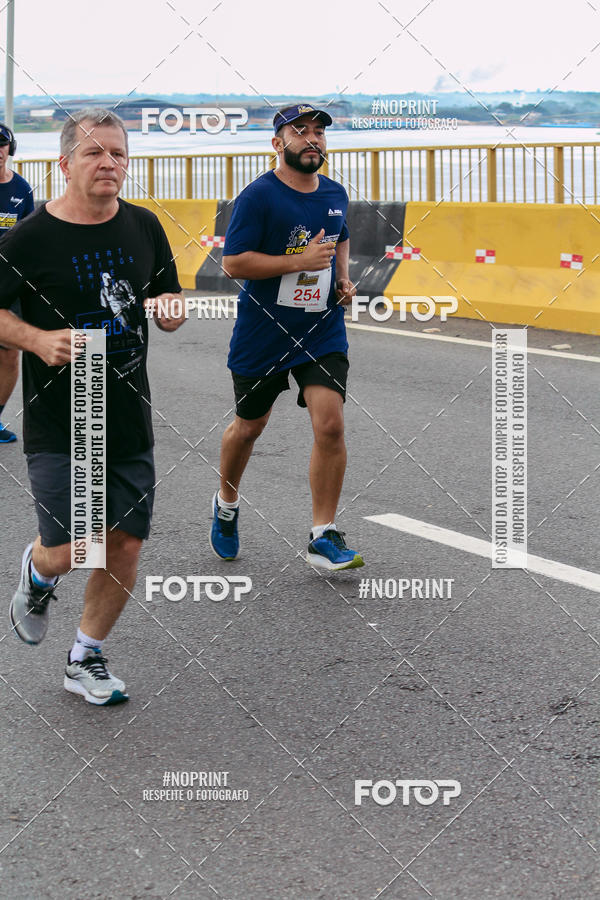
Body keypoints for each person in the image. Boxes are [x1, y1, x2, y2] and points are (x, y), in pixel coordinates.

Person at [0, 109, 185, 704]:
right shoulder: (30, 238)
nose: (109, 163)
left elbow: (166, 289)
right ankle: (38, 571)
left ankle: (85, 656)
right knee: (75, 548)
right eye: (93, 152)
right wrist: (34, 339)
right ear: (64, 163)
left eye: (118, 153)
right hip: (64, 418)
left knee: (124, 542)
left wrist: (171, 307)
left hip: (128, 414)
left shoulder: (144, 225)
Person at [211, 103, 364, 571]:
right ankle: (226, 503)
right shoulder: (258, 197)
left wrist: (342, 278)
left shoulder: (334, 193)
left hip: (320, 328)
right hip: (264, 333)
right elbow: (233, 263)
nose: (312, 138)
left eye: (319, 131)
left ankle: (323, 534)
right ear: (278, 143)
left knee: (330, 424)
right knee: (249, 427)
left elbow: (340, 236)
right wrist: (298, 261)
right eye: (301, 131)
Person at [0, 123, 34, 443]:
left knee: (9, 354)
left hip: (8, 283)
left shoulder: (22, 189)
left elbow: (30, 238)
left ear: (10, 149)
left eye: (2, 144)